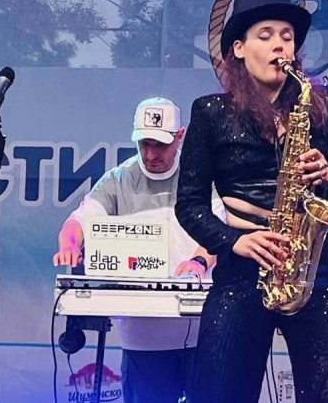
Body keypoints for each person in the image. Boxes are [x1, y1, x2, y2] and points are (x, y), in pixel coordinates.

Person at [175, 0, 328, 402]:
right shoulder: (210, 112)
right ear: (239, 48)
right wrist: (235, 241)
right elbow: (189, 205)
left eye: (287, 36)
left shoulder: (324, 104)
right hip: (242, 269)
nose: (280, 45)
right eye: (265, 36)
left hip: (314, 270)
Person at [53, 97, 224, 403]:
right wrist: (69, 245)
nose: (151, 154)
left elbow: (219, 230)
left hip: (202, 328)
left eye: (160, 145)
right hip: (144, 337)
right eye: (144, 144)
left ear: (180, 136)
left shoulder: (200, 175)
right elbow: (78, 221)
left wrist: (199, 261)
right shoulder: (118, 179)